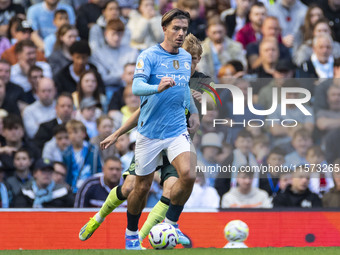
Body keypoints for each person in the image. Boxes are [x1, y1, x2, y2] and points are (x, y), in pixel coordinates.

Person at [78, 22, 207, 249]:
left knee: (174, 187)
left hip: (176, 141)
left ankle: (158, 233)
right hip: (152, 136)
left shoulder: (199, 83)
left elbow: (209, 110)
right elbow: (142, 110)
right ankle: (98, 218)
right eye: (191, 58)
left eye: (197, 59)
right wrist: (118, 133)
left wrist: (199, 107)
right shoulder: (162, 72)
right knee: (131, 188)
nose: (193, 64)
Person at [91, 19, 138, 100]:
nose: (116, 38)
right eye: (113, 34)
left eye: (119, 34)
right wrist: (123, 76)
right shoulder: (98, 54)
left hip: (131, 90)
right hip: (109, 90)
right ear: (106, 34)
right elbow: (102, 78)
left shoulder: (133, 52)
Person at [198, 17, 246, 82]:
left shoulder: (236, 46)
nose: (218, 36)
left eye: (220, 32)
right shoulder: (201, 49)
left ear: (225, 30)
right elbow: (202, 71)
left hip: (232, 83)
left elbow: (242, 67)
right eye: (214, 33)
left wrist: (224, 54)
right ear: (207, 32)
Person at [63, 119, 102, 193]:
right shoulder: (66, 153)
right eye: (70, 133)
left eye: (75, 132)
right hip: (73, 189)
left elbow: (98, 168)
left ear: (84, 134)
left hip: (90, 187)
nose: (72, 136)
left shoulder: (93, 150)